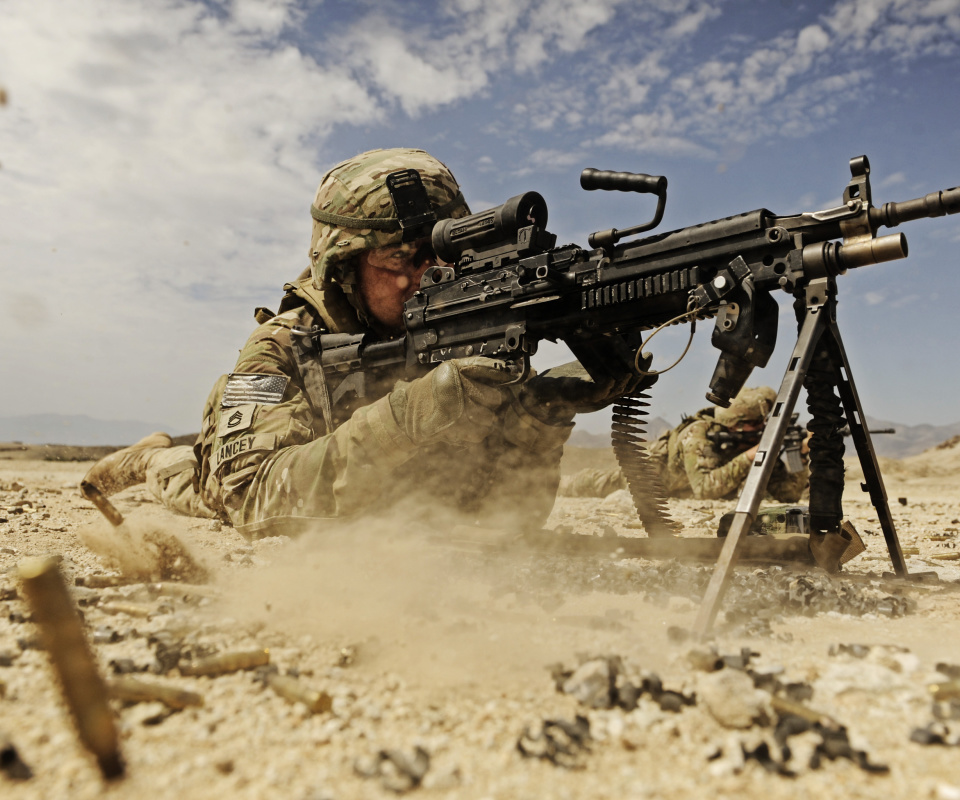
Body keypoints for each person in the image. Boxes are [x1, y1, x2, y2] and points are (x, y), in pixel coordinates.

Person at [82, 148, 636, 539]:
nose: (423, 276)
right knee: (181, 478)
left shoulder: (464, 326)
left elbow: (504, 517)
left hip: (391, 507)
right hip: (224, 477)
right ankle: (148, 454)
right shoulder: (283, 345)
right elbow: (249, 501)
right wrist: (408, 416)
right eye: (399, 257)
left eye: (440, 255)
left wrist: (540, 414)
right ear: (342, 263)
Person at [559, 386, 810, 502]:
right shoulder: (699, 433)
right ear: (742, 423)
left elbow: (788, 495)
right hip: (653, 479)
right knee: (599, 483)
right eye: (761, 426)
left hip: (680, 491)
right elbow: (703, 489)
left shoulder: (752, 439)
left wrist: (801, 456)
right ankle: (554, 483)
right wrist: (750, 457)